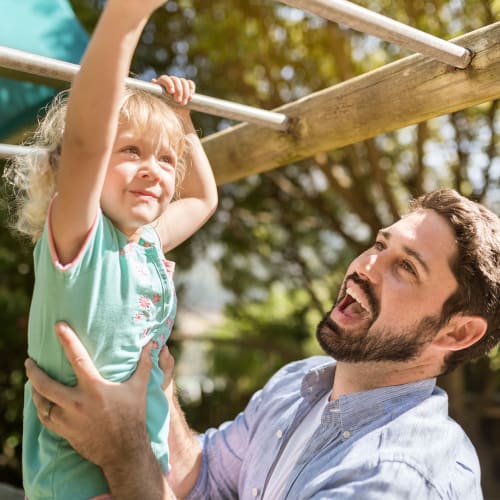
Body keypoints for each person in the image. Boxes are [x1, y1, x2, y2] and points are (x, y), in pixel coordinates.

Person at [26, 188, 499, 499]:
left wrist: (123, 453)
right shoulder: (300, 383)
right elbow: (205, 478)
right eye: (379, 245)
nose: (365, 267)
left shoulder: (395, 478)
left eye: (406, 268)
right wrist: (156, 378)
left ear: (456, 332)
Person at [4, 1, 217, 499]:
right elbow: (85, 144)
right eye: (131, 152)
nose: (154, 170)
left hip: (139, 467)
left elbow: (203, 199)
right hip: (74, 480)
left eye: (167, 160)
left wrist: (183, 121)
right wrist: (125, 18)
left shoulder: (144, 243)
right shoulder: (81, 237)